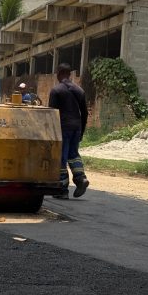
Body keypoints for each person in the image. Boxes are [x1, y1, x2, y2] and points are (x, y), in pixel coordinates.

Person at [48, 63, 89, 199]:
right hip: (76, 127)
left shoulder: (56, 90)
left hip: (62, 127)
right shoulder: (79, 90)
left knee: (61, 157)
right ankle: (80, 178)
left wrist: (50, 134)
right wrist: (81, 131)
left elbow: (52, 114)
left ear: (58, 74)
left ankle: (62, 189)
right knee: (74, 154)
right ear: (69, 74)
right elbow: (85, 113)